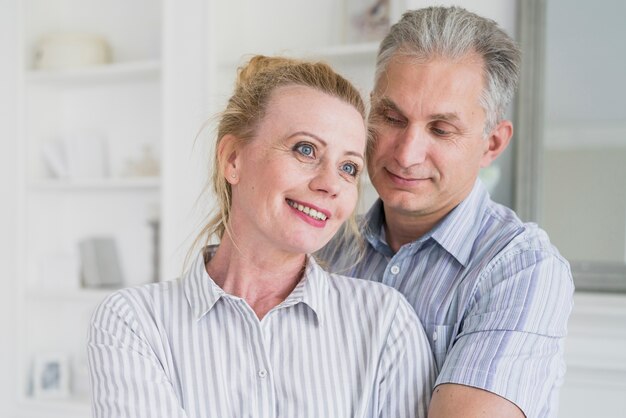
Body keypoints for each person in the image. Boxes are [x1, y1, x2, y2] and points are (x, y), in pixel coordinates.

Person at [87, 55, 435, 418]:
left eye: (349, 168)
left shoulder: (384, 323)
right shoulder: (135, 323)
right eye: (306, 149)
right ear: (233, 159)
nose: (330, 184)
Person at [318, 6, 574, 418]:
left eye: (440, 129)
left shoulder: (521, 269)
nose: (406, 153)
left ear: (492, 143)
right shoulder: (323, 248)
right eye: (391, 117)